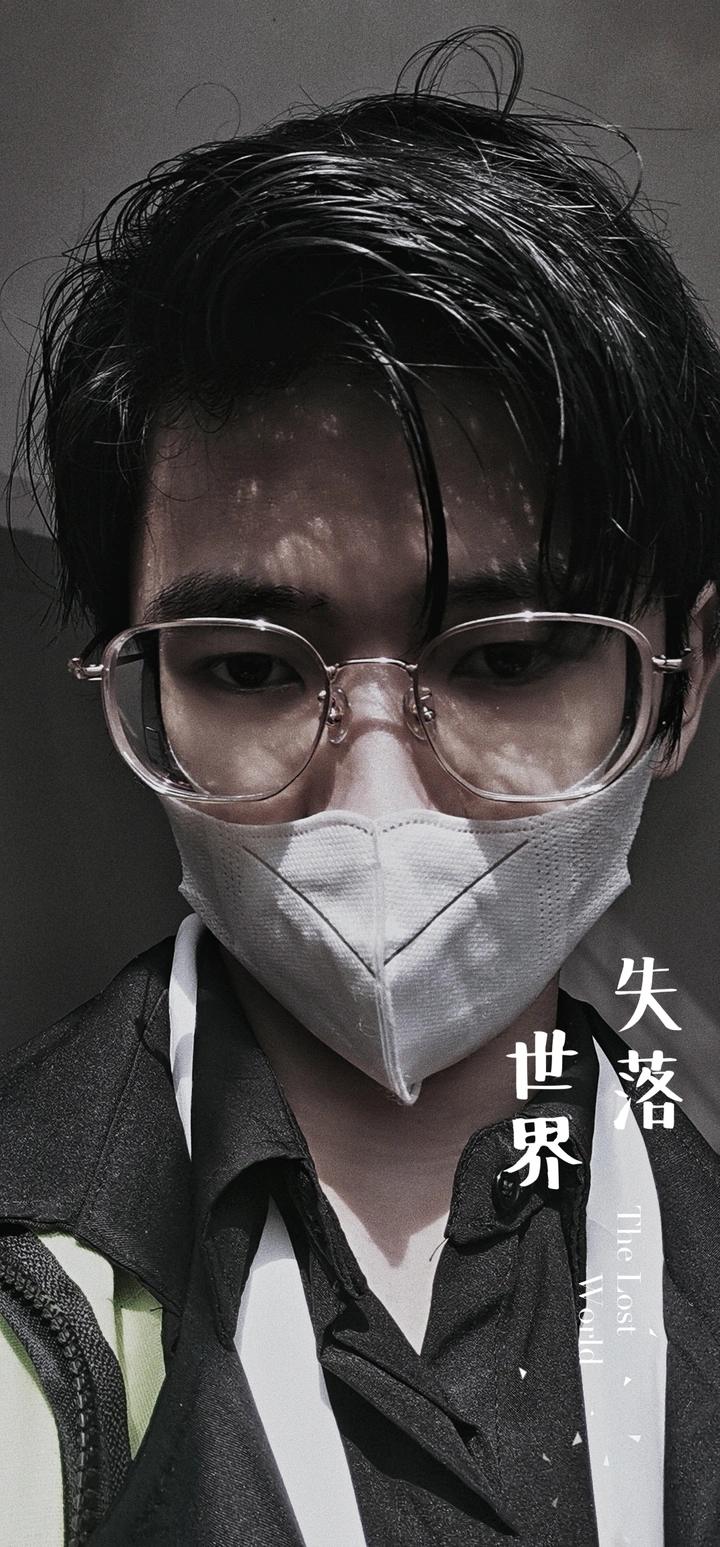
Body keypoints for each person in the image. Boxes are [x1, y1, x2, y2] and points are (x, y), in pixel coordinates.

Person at [2, 29, 720, 1547]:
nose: (377, 801)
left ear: (680, 686)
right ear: (141, 684)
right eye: (249, 668)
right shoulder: (36, 1275)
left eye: (509, 657)